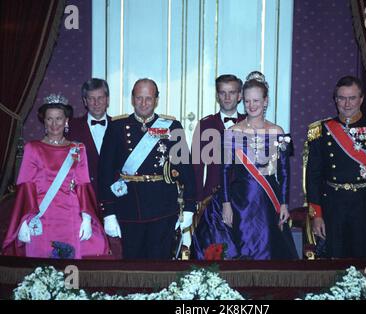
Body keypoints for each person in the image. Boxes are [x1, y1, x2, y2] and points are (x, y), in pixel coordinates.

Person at [192, 71, 298, 260]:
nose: (252, 105)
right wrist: (225, 204)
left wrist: (283, 203)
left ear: (265, 101)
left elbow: (283, 172)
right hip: (239, 201)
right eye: (248, 101)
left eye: (256, 101)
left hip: (268, 200)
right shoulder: (232, 132)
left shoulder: (278, 131)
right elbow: (225, 171)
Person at [98, 78, 196, 259]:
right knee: (131, 264)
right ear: (132, 99)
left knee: (160, 264)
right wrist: (108, 212)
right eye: (139, 98)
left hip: (163, 207)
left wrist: (189, 207)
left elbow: (186, 170)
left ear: (156, 100)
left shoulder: (172, 127)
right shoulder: (117, 127)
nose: (143, 103)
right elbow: (105, 172)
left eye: (148, 98)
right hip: (128, 207)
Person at [2, 94, 110, 259]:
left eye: (59, 119)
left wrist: (87, 218)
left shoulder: (77, 149)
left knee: (71, 266)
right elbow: (26, 186)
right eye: (49, 119)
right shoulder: (32, 148)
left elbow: (83, 185)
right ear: (44, 122)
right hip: (41, 216)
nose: (54, 124)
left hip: (71, 216)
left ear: (66, 121)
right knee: (41, 265)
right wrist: (23, 221)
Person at [305, 75, 366, 258]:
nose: (347, 104)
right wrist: (317, 215)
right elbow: (313, 177)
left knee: (365, 264)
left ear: (361, 99)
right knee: (333, 263)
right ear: (335, 99)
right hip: (332, 205)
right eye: (342, 98)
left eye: (352, 98)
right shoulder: (321, 130)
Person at [192, 74, 245, 205]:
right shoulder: (205, 124)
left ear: (239, 96)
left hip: (243, 197)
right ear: (217, 96)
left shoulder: (249, 124)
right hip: (211, 196)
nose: (227, 98)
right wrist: (198, 199)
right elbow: (196, 166)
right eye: (222, 93)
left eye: (232, 93)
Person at [68, 78, 112, 195]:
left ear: (107, 100)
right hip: (82, 195)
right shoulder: (71, 127)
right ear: (85, 101)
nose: (96, 103)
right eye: (91, 98)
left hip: (113, 196)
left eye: (100, 98)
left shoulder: (119, 126)